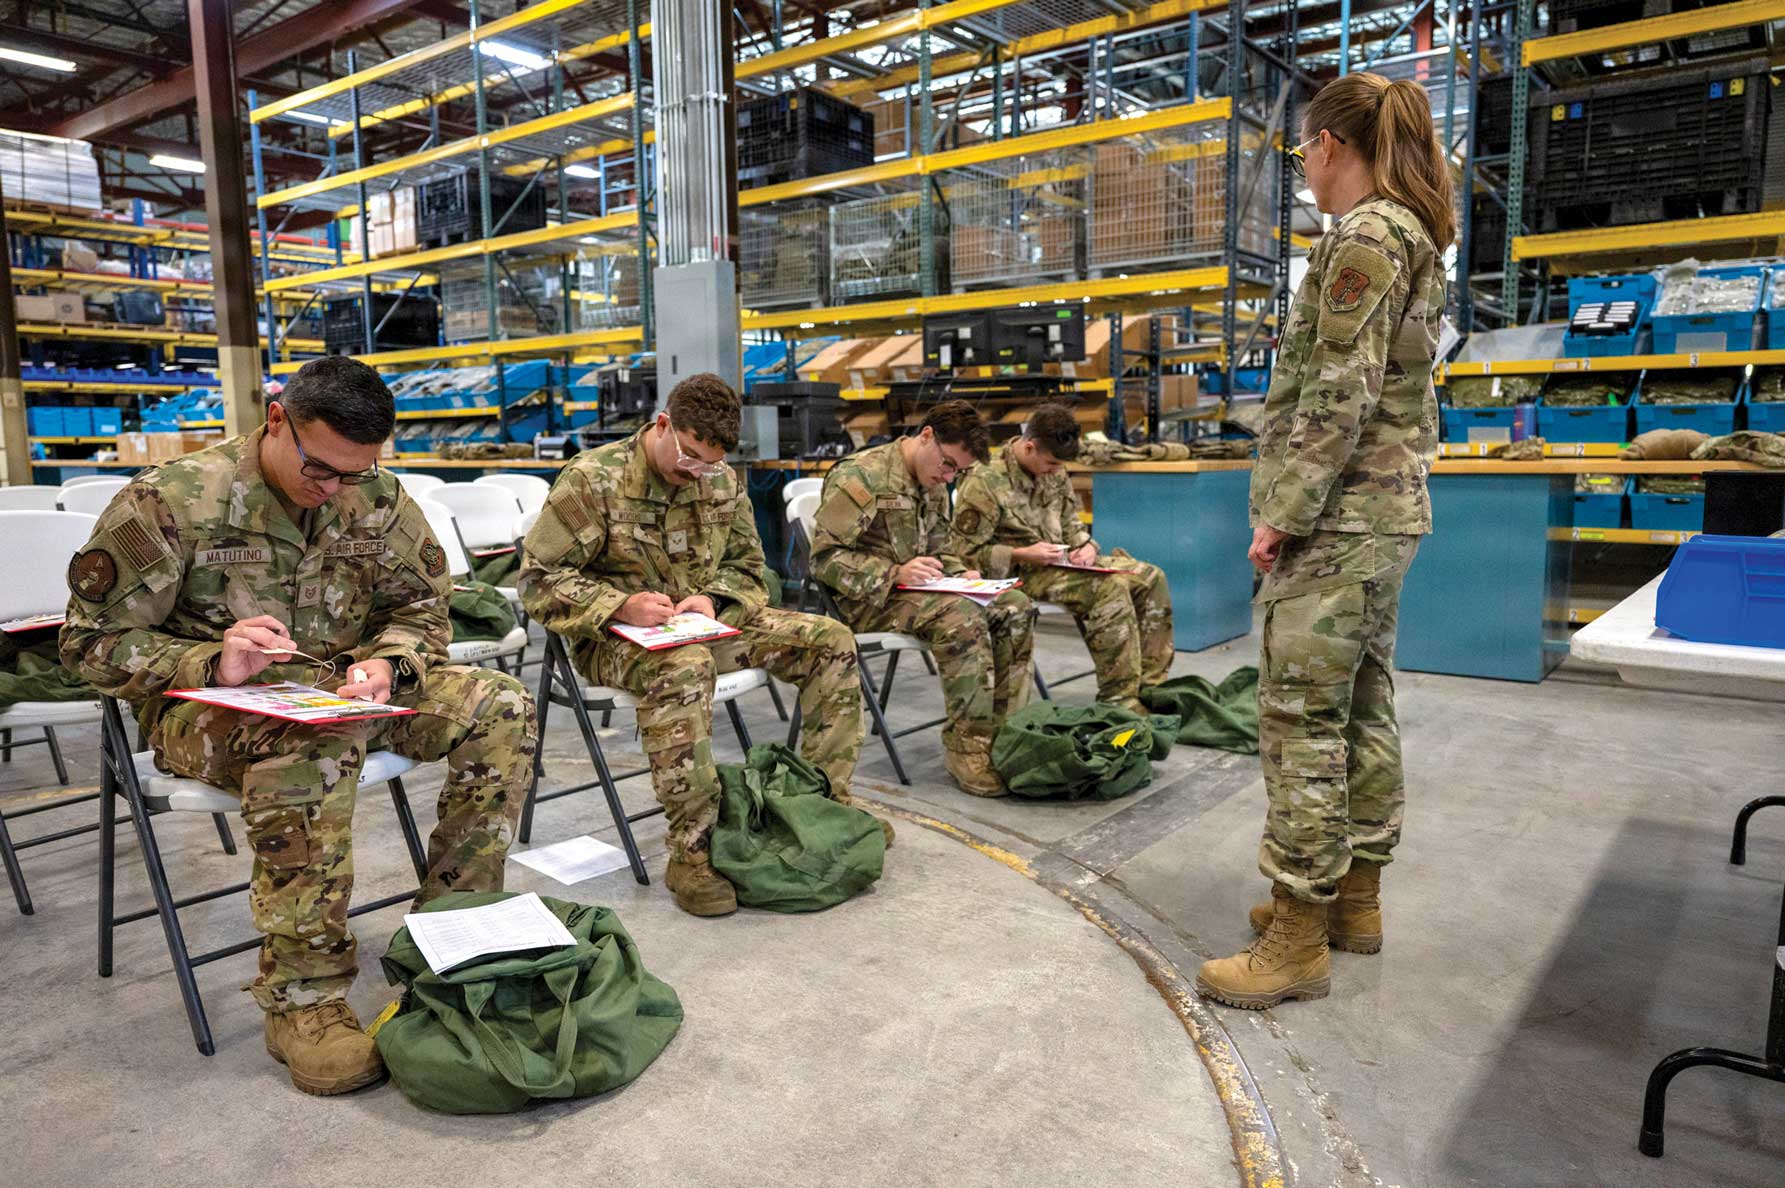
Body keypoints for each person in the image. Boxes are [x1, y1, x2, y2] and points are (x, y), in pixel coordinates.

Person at [60, 356, 538, 1094]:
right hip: (205, 710)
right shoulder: (174, 501)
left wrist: (391, 663)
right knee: (312, 745)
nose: (336, 489)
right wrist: (212, 661)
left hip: (344, 690)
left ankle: (453, 936)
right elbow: (87, 644)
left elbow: (421, 610)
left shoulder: (373, 494)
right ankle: (304, 997)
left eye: (355, 473)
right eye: (321, 469)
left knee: (500, 705)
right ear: (277, 419)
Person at [1194, 72, 1452, 1010]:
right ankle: (1355, 898)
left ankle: (1298, 932)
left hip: (1338, 521)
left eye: (1305, 146)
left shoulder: (1365, 235)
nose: (1303, 163)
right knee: (1361, 704)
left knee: (1300, 720)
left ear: (1332, 145)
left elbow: (1336, 393)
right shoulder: (1409, 231)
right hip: (1382, 518)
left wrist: (1281, 513)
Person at [519, 373, 870, 919]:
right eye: (689, 457)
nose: (698, 473)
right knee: (684, 667)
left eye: (710, 462)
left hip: (702, 628)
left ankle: (824, 807)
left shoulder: (721, 480)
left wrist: (714, 599)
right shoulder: (594, 480)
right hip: (611, 638)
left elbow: (751, 569)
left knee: (830, 639)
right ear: (663, 425)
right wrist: (619, 605)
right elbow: (538, 582)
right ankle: (692, 850)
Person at [810, 400, 1035, 797]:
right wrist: (893, 573)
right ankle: (966, 748)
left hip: (921, 595)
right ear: (926, 435)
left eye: (958, 472)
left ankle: (1006, 735)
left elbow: (939, 549)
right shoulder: (863, 476)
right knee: (961, 616)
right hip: (867, 601)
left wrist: (958, 572)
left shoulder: (932, 483)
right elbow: (824, 560)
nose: (949, 478)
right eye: (947, 465)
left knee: (1016, 608)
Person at [948, 404, 1174, 713]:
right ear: (1029, 446)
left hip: (1060, 563)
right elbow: (962, 554)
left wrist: (1087, 546)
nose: (1056, 471)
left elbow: (1071, 522)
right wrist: (1020, 553)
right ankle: (1119, 700)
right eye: (1052, 463)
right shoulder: (984, 480)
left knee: (1150, 577)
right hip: (1016, 573)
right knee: (1108, 589)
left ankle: (1150, 686)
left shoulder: (1054, 468)